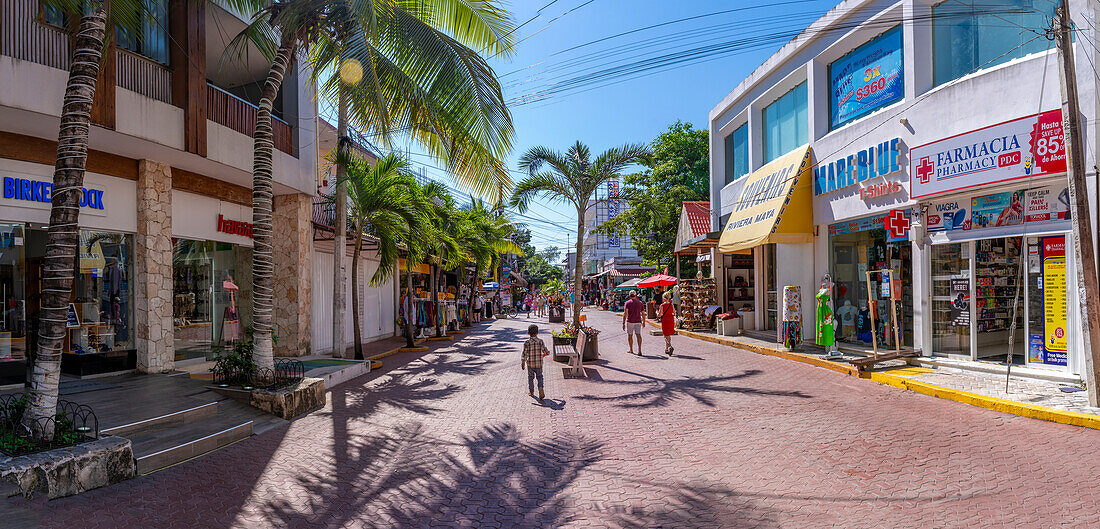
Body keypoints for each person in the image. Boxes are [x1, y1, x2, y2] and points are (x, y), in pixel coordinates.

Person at [522, 324, 550, 401]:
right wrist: (546, 353)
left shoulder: (527, 343)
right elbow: (545, 351)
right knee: (540, 376)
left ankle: (531, 392)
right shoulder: (540, 341)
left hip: (530, 364)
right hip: (539, 363)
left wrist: (523, 363)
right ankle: (540, 387)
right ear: (537, 333)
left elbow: (524, 353)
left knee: (530, 378)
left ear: (528, 333)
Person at [622, 290, 645, 356]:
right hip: (638, 321)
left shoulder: (627, 303)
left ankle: (631, 349)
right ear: (636, 295)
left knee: (630, 335)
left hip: (630, 321)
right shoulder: (640, 303)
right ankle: (639, 350)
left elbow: (625, 313)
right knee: (638, 335)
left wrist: (623, 323)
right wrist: (644, 322)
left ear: (629, 296)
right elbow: (643, 313)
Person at [659, 290, 676, 356]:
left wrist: (657, 313)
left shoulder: (662, 305)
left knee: (665, 335)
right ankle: (666, 349)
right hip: (671, 319)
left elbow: (660, 314)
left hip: (665, 320)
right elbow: (674, 313)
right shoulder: (671, 304)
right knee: (668, 334)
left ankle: (670, 346)